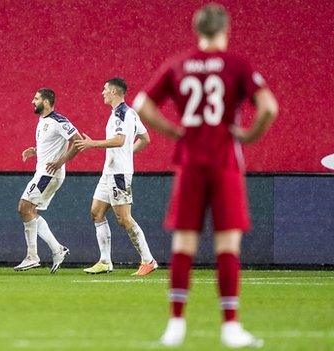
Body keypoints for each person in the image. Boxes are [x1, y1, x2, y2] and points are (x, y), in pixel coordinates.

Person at [133, 4, 278, 347]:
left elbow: (142, 104)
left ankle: (176, 325)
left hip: (190, 160)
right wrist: (250, 135)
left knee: (184, 244)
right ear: (225, 30)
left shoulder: (179, 63)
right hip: (225, 160)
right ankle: (230, 327)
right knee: (227, 244)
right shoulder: (237, 65)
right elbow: (270, 107)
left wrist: (173, 131)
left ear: (196, 30)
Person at [74, 77, 157, 275]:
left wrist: (93, 144)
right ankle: (105, 261)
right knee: (96, 212)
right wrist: (129, 153)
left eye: (105, 89)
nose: (102, 92)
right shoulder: (129, 113)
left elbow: (120, 140)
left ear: (113, 92)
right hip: (109, 172)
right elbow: (145, 139)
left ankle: (148, 260)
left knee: (124, 219)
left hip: (119, 174)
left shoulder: (121, 114)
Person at [14, 88, 82, 274]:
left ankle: (32, 256)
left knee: (24, 207)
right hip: (43, 172)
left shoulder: (59, 121)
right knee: (29, 210)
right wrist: (36, 151)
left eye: (36, 98)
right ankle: (57, 250)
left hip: (49, 174)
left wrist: (61, 161)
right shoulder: (43, 121)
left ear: (46, 102)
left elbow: (78, 141)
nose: (32, 101)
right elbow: (52, 145)